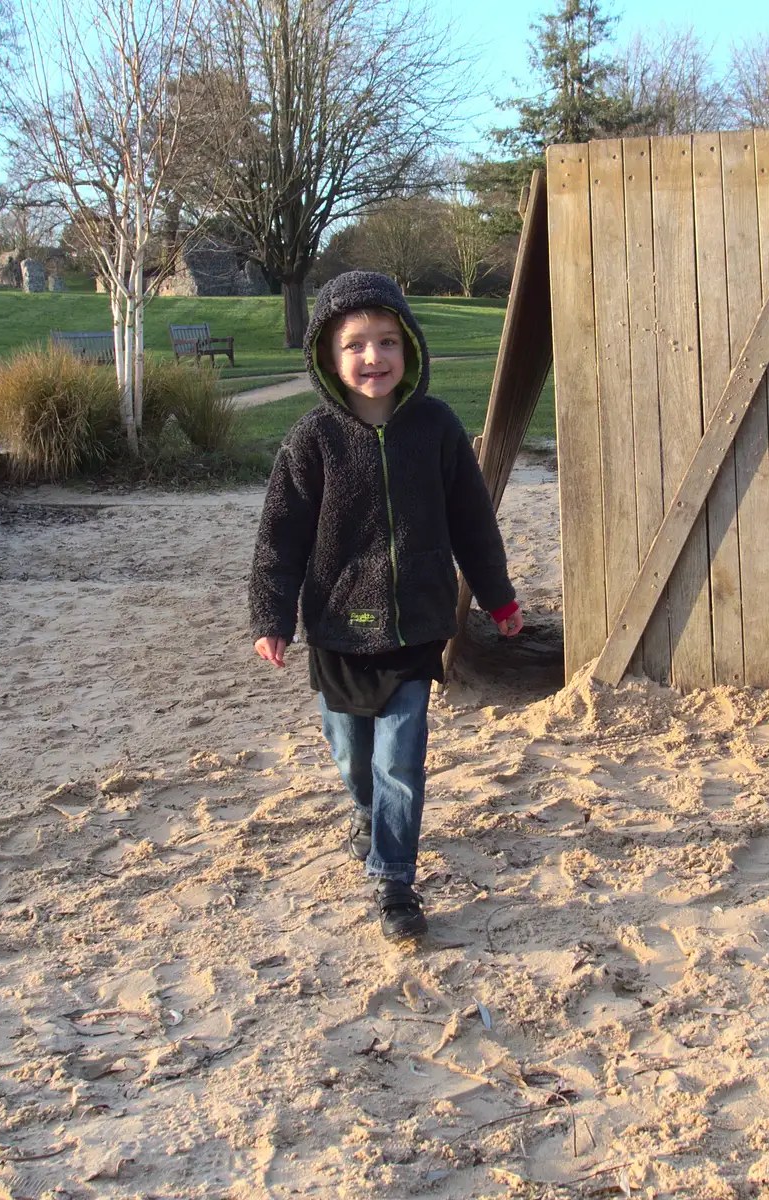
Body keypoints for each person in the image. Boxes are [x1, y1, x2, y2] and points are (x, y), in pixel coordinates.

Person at [248, 271, 524, 943]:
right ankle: (366, 814)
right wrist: (272, 618)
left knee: (400, 758)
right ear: (327, 357)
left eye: (387, 341)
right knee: (354, 759)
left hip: (416, 626)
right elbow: (278, 537)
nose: (373, 358)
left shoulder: (435, 428)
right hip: (339, 630)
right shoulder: (311, 441)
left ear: (410, 348)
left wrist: (497, 595)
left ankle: (394, 878)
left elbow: (472, 521)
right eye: (355, 345)